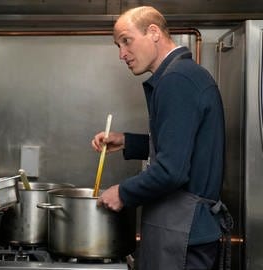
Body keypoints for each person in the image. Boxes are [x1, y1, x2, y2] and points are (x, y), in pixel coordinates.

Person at [91, 6, 232, 270]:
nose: (122, 54)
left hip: (183, 236)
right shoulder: (185, 75)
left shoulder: (176, 80)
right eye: (117, 45)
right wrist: (127, 142)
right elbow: (183, 148)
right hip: (189, 233)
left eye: (126, 40)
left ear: (153, 32)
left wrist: (123, 193)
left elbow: (172, 170)